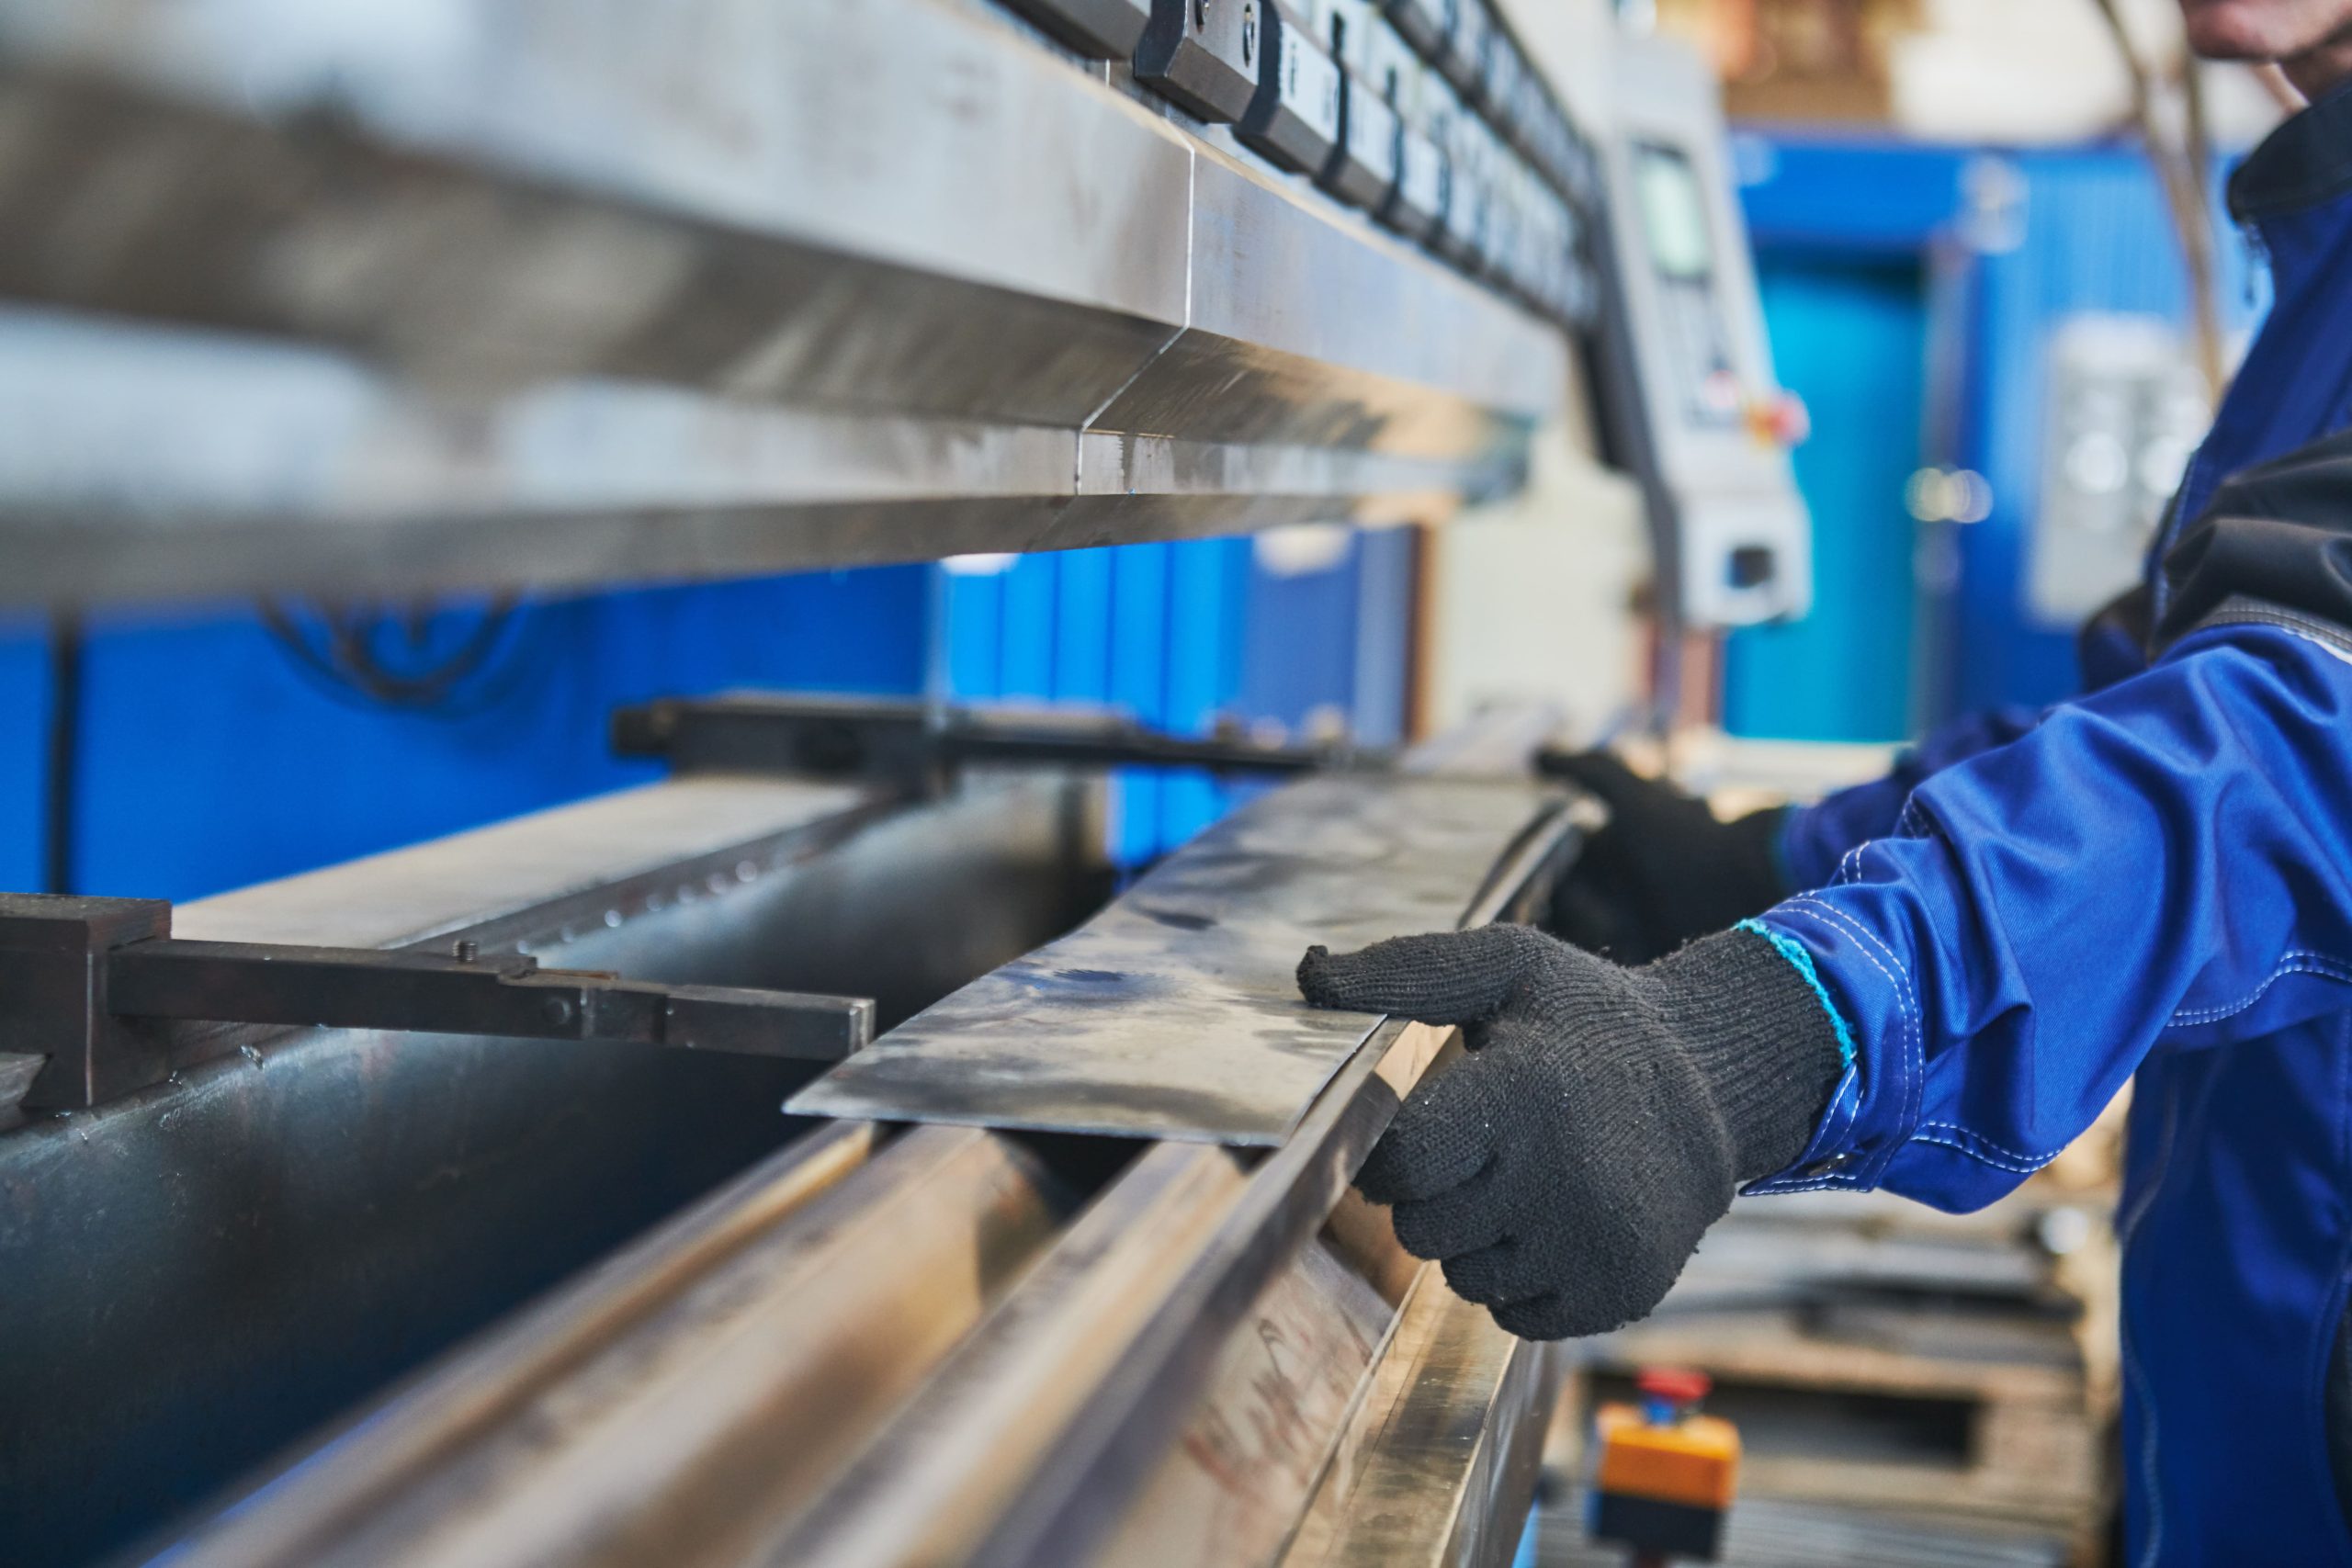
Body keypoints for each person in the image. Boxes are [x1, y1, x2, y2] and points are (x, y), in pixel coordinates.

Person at [1296, 5, 2352, 1560]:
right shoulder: (2322, 262)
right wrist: (1767, 862)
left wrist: (1781, 1027)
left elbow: (2298, 749)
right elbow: (2161, 710)